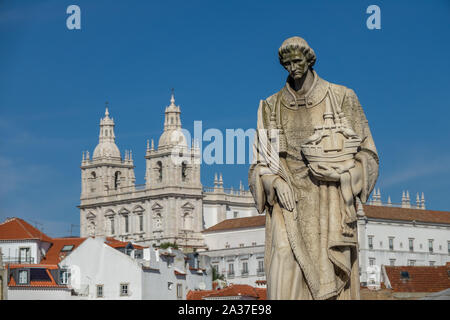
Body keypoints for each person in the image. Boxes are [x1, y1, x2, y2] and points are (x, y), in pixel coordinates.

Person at [248, 36, 379, 300]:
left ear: (309, 60)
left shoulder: (342, 97)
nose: (292, 68)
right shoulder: (270, 106)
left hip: (328, 200)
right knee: (283, 258)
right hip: (288, 201)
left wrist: (344, 178)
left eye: (297, 61)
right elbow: (260, 164)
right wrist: (274, 182)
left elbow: (368, 154)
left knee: (329, 272)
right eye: (286, 63)